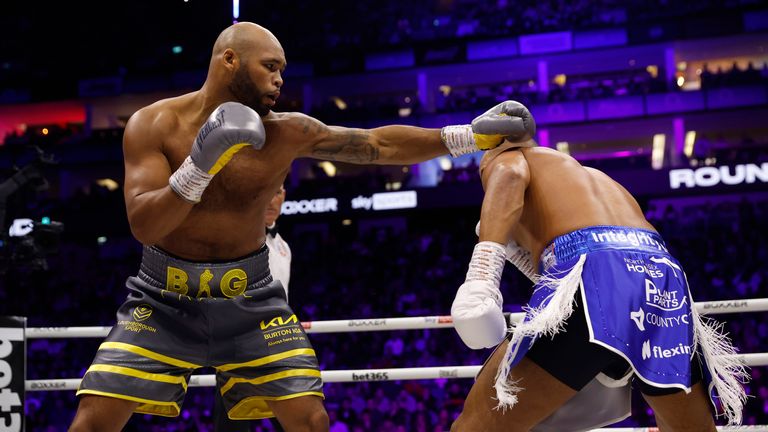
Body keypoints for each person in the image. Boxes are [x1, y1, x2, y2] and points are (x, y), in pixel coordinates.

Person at [68, 21, 535, 431]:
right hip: (163, 298)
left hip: (251, 298)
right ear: (229, 60)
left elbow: (375, 145)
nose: (278, 80)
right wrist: (199, 165)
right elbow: (145, 225)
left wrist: (470, 136)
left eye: (282, 70)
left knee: (311, 419)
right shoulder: (155, 124)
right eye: (269, 67)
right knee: (93, 420)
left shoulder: (286, 131)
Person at [449, 141, 748, 431]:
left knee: (475, 427)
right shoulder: (593, 180)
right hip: (660, 272)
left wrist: (481, 280)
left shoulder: (509, 157)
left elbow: (510, 175)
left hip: (595, 267)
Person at [214, 182, 290, 431]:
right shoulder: (237, 241)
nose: (271, 201)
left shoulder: (283, 248)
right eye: (265, 193)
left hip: (278, 346)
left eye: (276, 193)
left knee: (297, 420)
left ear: (283, 196)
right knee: (233, 426)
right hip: (240, 348)